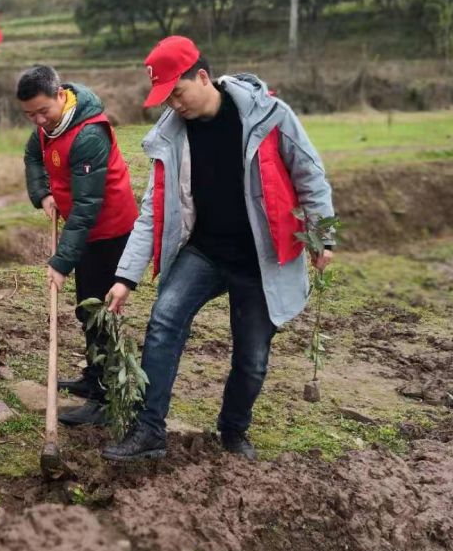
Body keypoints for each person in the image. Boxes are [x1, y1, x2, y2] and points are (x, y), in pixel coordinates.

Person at [102, 36, 336, 462]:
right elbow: (153, 213)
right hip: (204, 251)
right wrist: (125, 277)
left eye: (178, 92)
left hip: (259, 259)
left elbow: (309, 173)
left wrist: (324, 235)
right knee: (164, 319)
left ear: (203, 77)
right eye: (165, 97)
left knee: (251, 358)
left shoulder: (270, 116)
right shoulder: (170, 137)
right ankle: (149, 431)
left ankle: (233, 431)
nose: (173, 104)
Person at [18, 65, 138, 426]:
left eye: (43, 111)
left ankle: (105, 399)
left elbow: (88, 209)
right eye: (30, 115)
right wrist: (43, 195)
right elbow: (33, 157)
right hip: (83, 230)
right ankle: (94, 377)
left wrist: (61, 262)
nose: (39, 120)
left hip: (109, 231)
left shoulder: (88, 134)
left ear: (60, 96)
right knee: (88, 308)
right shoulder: (47, 128)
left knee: (100, 312)